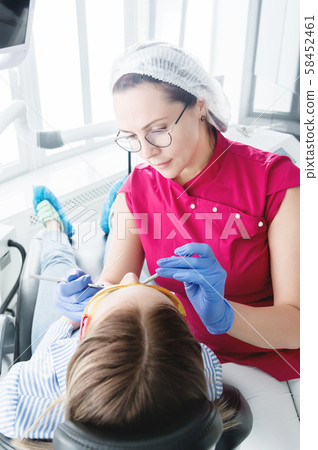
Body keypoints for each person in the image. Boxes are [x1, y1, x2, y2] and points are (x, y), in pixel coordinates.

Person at [92, 41, 299, 449]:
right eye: (131, 137)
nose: (147, 152)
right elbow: (112, 284)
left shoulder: (274, 181)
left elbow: (298, 324)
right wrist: (89, 302)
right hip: (168, 359)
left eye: (158, 130)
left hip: (259, 362)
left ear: (200, 105)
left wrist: (227, 316)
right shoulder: (133, 192)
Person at [0, 190, 232, 448]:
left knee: (57, 262)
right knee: (121, 255)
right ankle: (114, 224)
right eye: (150, 288)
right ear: (187, 339)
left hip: (57, 344)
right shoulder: (205, 367)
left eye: (113, 292)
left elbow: (44, 355)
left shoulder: (20, 399)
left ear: (86, 326)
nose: (130, 277)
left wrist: (68, 320)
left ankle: (55, 227)